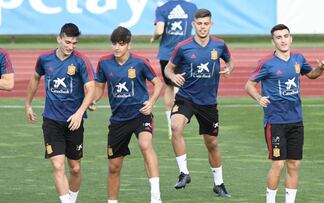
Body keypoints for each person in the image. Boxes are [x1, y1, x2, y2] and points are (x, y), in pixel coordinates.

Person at [244, 24, 324, 203]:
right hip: (275, 121)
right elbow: (249, 85)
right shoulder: (266, 63)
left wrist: (320, 68)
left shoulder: (299, 59)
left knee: (294, 164)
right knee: (278, 164)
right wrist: (259, 98)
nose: (283, 40)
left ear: (291, 38)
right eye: (278, 37)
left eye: (286, 36)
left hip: (296, 120)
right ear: (273, 41)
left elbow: (311, 74)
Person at [164, 8, 234, 198]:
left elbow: (230, 61)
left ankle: (218, 184)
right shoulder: (183, 47)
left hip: (208, 102)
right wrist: (173, 76)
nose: (202, 27)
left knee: (212, 144)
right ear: (193, 25)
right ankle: (184, 173)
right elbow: (168, 69)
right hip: (186, 98)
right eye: (199, 24)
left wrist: (228, 68)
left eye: (206, 24)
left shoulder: (219, 45)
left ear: (211, 25)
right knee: (176, 127)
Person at [91, 26, 163, 203]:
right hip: (118, 120)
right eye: (114, 43)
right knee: (114, 167)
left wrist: (151, 102)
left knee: (145, 145)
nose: (117, 47)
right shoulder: (104, 63)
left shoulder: (140, 62)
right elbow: (99, 88)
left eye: (121, 44)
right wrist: (93, 100)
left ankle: (155, 196)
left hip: (140, 115)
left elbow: (158, 83)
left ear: (129, 45)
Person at [25, 23, 96, 203]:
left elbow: (91, 89)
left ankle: (72, 199)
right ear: (59, 39)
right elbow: (34, 78)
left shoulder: (81, 61)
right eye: (67, 42)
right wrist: (28, 104)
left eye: (74, 43)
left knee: (75, 169)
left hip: (74, 121)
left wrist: (80, 112)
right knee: (57, 165)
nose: (71, 47)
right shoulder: (44, 59)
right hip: (51, 120)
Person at [150, 0, 197, 139]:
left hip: (167, 54)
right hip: (186, 52)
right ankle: (179, 122)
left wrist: (153, 37)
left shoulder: (162, 8)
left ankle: (172, 125)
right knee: (181, 85)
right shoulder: (192, 7)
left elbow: (159, 30)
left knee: (170, 87)